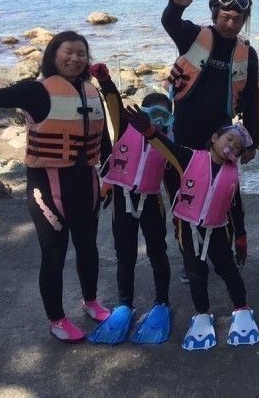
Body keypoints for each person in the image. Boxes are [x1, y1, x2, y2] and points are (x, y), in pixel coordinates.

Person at [0, 32, 112, 343]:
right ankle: (57, 319)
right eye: (68, 52)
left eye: (81, 53)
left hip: (86, 184)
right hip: (48, 189)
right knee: (54, 254)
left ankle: (91, 302)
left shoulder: (92, 92)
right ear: (53, 54)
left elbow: (104, 141)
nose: (75, 58)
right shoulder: (35, 91)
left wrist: (111, 177)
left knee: (88, 248)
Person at [124, 105, 259, 350]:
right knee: (196, 273)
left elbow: (236, 209)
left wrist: (241, 237)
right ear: (215, 138)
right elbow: (168, 148)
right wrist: (149, 131)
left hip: (219, 230)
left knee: (228, 270)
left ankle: (241, 309)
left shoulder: (232, 176)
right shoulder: (189, 157)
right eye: (229, 139)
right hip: (188, 230)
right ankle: (201, 314)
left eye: (238, 148)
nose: (232, 147)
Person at [162, 0, 259, 283]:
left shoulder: (247, 53)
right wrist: (176, 5)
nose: (231, 24)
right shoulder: (193, 37)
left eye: (237, 20)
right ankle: (190, 257)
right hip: (186, 135)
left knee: (225, 196)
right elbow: (170, 22)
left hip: (222, 138)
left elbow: (252, 99)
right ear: (215, 14)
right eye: (225, 17)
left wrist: (251, 141)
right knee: (185, 196)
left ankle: (224, 250)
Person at [87, 63, 172, 344]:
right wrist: (106, 81)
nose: (157, 122)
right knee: (125, 254)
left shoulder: (167, 141)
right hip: (123, 199)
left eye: (165, 117)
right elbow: (112, 103)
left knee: (158, 251)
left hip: (151, 202)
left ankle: (162, 302)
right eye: (152, 115)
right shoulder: (125, 129)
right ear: (141, 114)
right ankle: (125, 304)